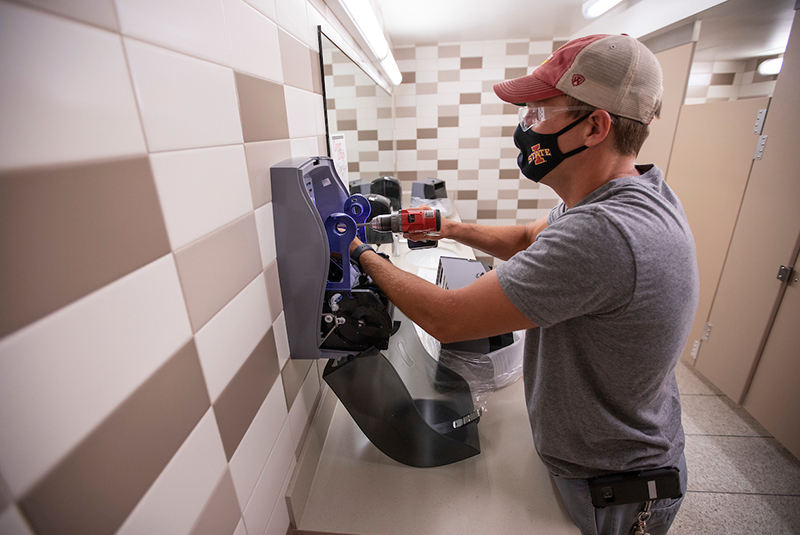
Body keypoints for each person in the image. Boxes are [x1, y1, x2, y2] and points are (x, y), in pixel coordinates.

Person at [348, 34, 698, 535]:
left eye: (538, 114)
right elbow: (531, 236)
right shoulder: (629, 191)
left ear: (594, 126)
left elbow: (448, 318)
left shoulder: (604, 231)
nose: (525, 129)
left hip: (615, 487)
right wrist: (445, 227)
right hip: (619, 452)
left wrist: (358, 251)